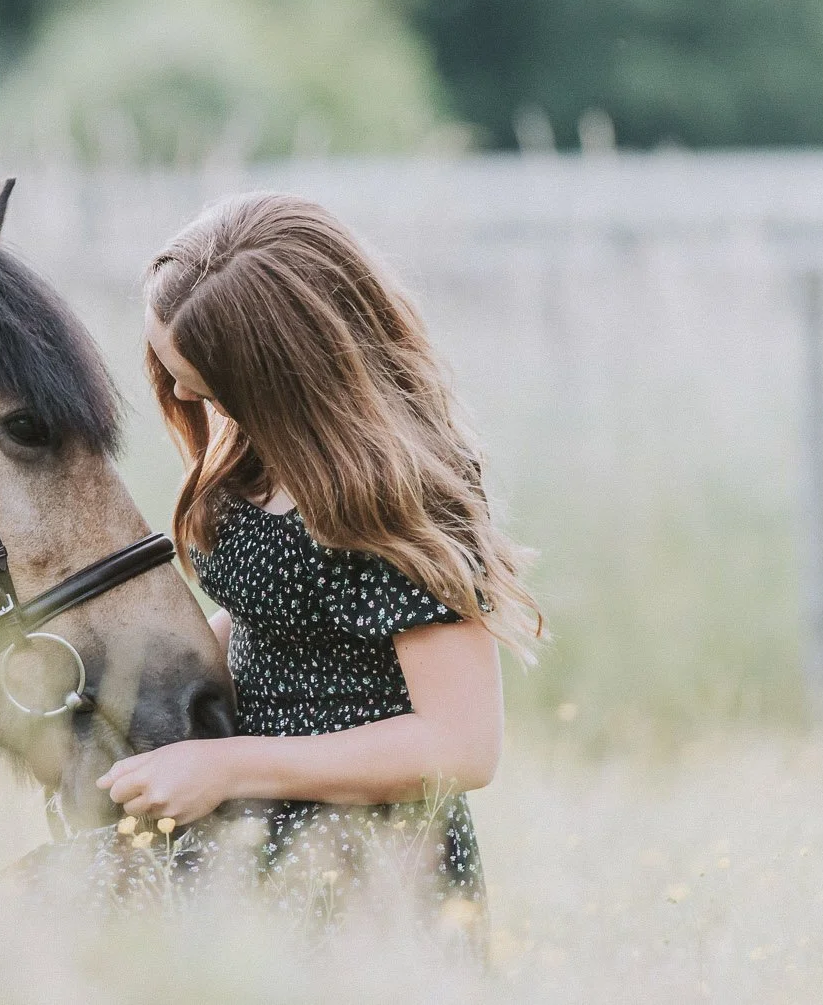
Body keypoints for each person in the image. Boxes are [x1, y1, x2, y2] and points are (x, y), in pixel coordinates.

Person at [80, 192, 544, 942]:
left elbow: (462, 745)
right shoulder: (257, 452)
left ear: (281, 375)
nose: (181, 394)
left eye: (201, 380)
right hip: (249, 817)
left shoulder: (396, 492)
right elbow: (285, 621)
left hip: (363, 858)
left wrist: (227, 767)